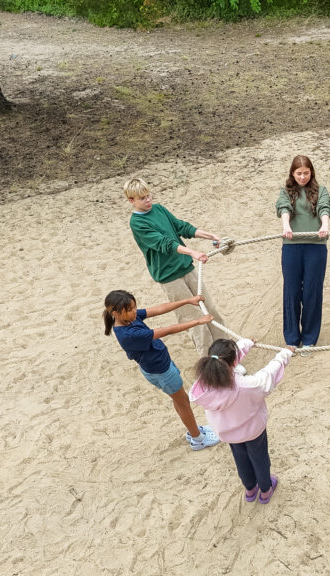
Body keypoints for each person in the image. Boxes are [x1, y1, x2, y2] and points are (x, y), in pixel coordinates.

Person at [125, 177, 232, 357]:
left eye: (149, 195)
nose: (148, 200)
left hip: (186, 268)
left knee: (211, 310)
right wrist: (192, 252)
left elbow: (181, 227)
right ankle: (210, 363)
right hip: (170, 277)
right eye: (142, 198)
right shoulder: (137, 223)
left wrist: (211, 236)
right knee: (196, 320)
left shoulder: (158, 209)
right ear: (132, 201)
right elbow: (163, 243)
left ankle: (228, 355)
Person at [103, 289, 220, 451]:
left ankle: (193, 430)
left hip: (161, 365)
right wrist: (198, 322)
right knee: (183, 401)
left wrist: (187, 300)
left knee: (179, 400)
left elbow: (158, 309)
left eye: (134, 307)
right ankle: (197, 438)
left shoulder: (129, 318)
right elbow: (168, 330)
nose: (135, 312)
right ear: (116, 313)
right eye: (130, 310)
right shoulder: (129, 334)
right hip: (160, 371)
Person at [190, 339, 294, 504]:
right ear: (233, 362)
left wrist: (245, 345)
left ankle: (250, 489)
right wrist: (284, 355)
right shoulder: (246, 385)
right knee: (259, 458)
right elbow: (267, 375)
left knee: (240, 458)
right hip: (252, 431)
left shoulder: (204, 384)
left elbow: (225, 359)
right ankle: (266, 490)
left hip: (228, 433)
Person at [275, 155, 330, 348]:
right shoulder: (286, 192)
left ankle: (309, 339)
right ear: (292, 173)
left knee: (312, 292)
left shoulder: (321, 190)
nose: (302, 177)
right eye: (298, 173)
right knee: (291, 291)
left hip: (316, 247)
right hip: (292, 246)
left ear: (311, 172)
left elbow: (324, 208)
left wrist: (324, 225)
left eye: (306, 173)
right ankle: (292, 339)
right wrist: (286, 226)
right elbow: (284, 209)